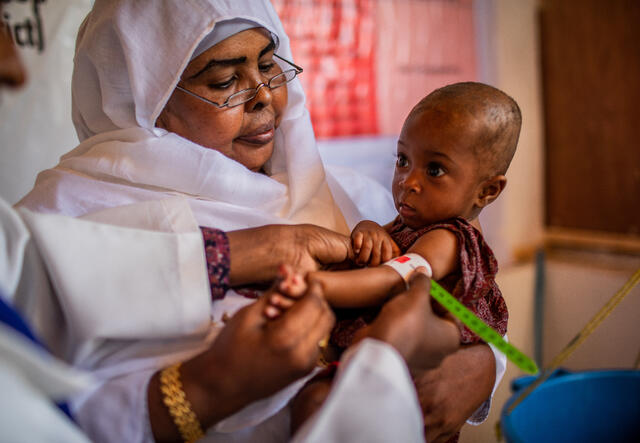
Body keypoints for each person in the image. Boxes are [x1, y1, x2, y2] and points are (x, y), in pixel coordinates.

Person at [13, 1, 504, 441]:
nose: (264, 96)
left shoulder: (351, 197)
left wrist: (483, 367)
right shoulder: (59, 218)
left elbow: (461, 298)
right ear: (146, 100)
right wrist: (207, 389)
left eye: (269, 66)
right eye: (225, 82)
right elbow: (30, 415)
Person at [285, 82, 520, 437]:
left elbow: (393, 278)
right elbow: (383, 244)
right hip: (386, 360)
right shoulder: (415, 218)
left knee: (315, 403)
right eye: (403, 160)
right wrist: (368, 229)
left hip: (418, 377)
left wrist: (316, 284)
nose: (408, 181)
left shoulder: (449, 238)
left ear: (487, 190)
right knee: (313, 403)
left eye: (435, 170)